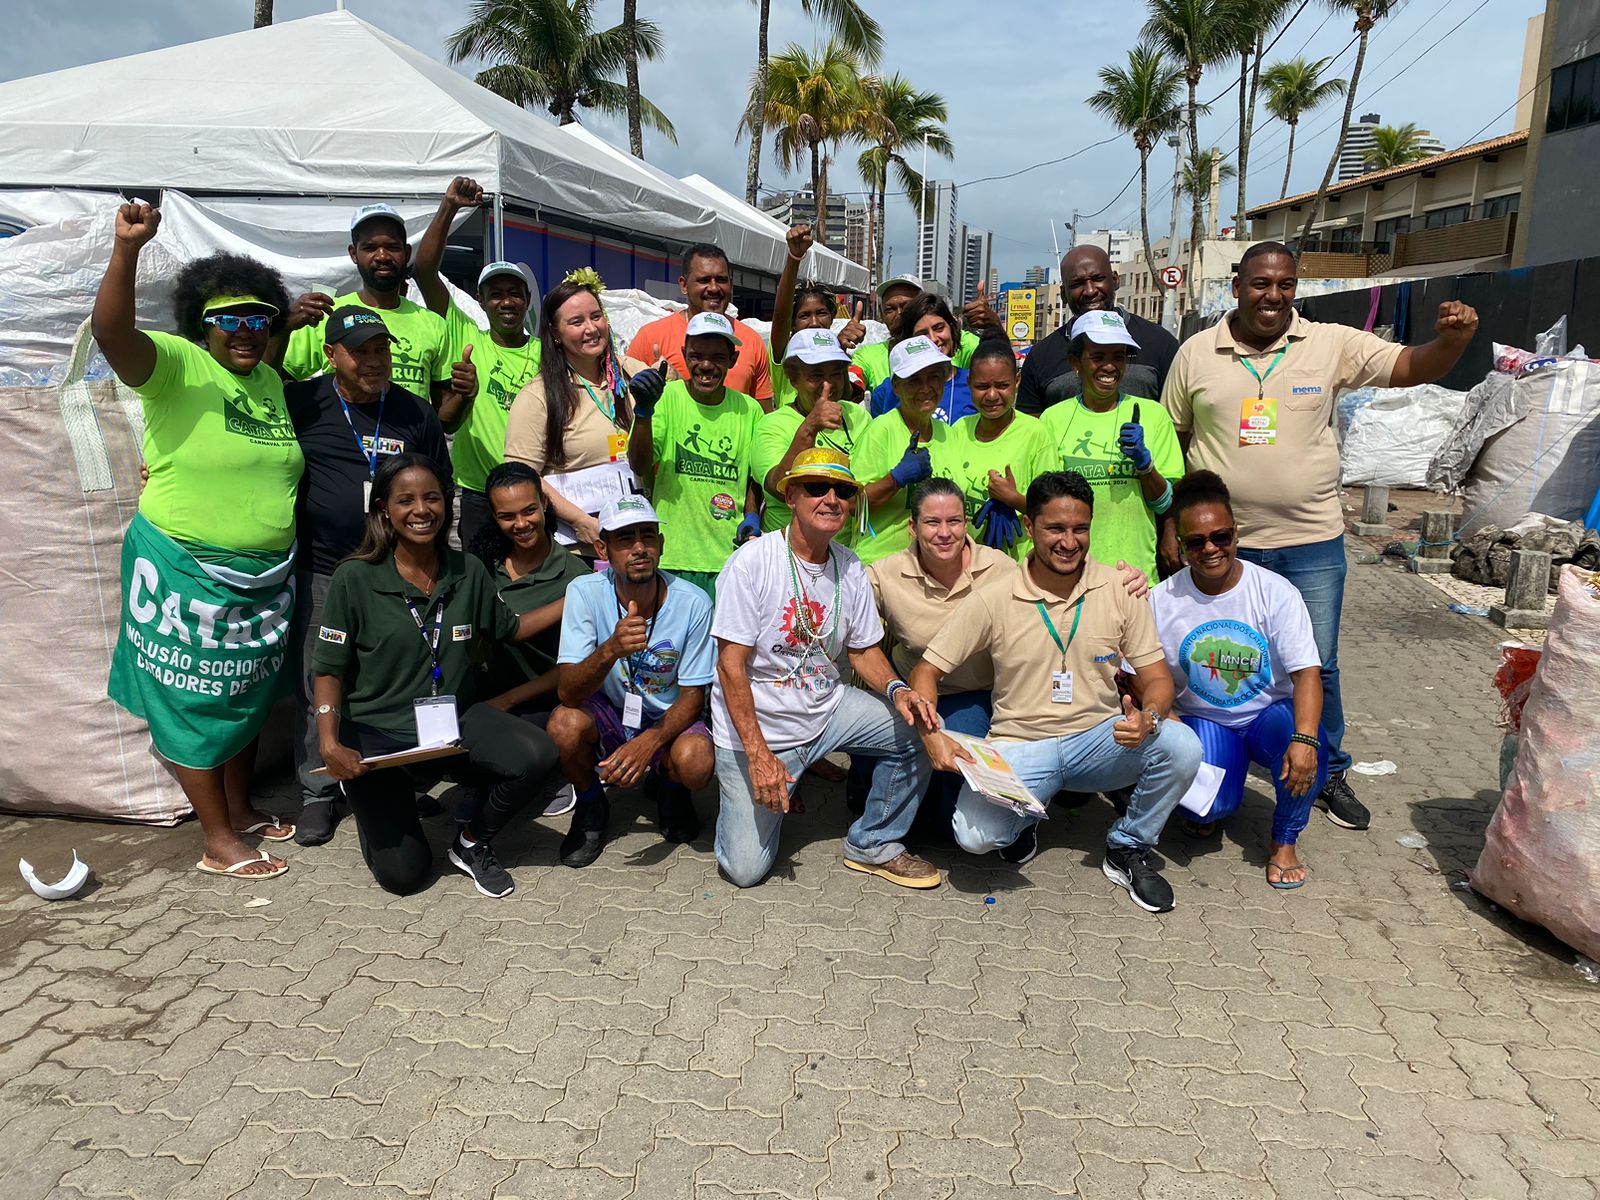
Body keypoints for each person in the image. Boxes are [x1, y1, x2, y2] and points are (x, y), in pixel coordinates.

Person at [1161, 240, 1480, 830]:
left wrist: (1453, 342)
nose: (1273, 296)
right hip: (1221, 547)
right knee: (1210, 656)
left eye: (1285, 284)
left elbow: (1412, 366)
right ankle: (1214, 758)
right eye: (1261, 284)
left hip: (1310, 541)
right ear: (1237, 287)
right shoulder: (1196, 354)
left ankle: (1327, 771)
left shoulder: (1329, 343)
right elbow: (1172, 445)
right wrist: (1171, 529)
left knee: (1319, 665)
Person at [94, 202, 302, 878]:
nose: (245, 332)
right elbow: (112, 333)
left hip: (263, 578)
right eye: (228, 320)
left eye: (259, 319)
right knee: (192, 697)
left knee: (242, 695)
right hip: (184, 568)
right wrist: (127, 249)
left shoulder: (270, 382)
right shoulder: (178, 365)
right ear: (201, 326)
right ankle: (217, 841)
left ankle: (239, 809)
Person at [911, 471, 1203, 913]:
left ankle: (1128, 846)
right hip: (1020, 745)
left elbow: (1158, 679)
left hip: (1098, 740)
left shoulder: (1121, 589)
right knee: (974, 838)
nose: (1069, 542)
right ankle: (1026, 814)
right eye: (1055, 528)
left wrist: (1151, 716)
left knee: (1182, 745)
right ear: (1029, 527)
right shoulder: (994, 597)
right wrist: (932, 734)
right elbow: (926, 670)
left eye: (1080, 528)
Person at [311, 453, 564, 898]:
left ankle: (472, 841)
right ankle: (379, 798)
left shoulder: (467, 570)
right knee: (405, 877)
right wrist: (330, 742)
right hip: (378, 735)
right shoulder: (355, 577)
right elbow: (329, 667)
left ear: (446, 503)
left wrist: (579, 593)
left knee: (536, 755)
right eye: (405, 500)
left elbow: (511, 628)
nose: (421, 510)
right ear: (384, 509)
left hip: (450, 721)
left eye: (432, 498)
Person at [711, 447, 943, 889]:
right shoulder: (752, 563)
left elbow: (864, 651)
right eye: (817, 487)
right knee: (745, 870)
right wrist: (758, 755)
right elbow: (730, 667)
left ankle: (874, 842)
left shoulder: (849, 565)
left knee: (922, 729)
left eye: (843, 491)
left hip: (827, 709)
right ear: (791, 496)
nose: (831, 499)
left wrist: (899, 691)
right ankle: (753, 789)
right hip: (760, 730)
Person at [284, 305, 453, 846]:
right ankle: (318, 791)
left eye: (381, 349)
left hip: (394, 571)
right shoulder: (302, 403)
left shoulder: (414, 411)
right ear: (331, 355)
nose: (374, 361)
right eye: (360, 352)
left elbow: (441, 484)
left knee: (395, 675)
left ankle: (397, 776)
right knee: (318, 677)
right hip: (326, 568)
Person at [1147, 472, 1329, 889]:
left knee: (1309, 742)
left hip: (1268, 715)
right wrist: (1168, 721)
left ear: (1236, 532)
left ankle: (1284, 840)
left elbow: (1307, 672)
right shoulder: (1161, 600)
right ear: (1180, 545)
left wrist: (1304, 739)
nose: (1211, 549)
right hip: (1204, 720)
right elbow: (1142, 672)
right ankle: (1216, 798)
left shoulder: (1275, 592)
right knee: (1206, 808)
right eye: (1196, 542)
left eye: (1221, 536)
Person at [549, 494, 717, 869]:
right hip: (610, 710)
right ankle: (591, 804)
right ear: (602, 549)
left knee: (696, 763)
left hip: (666, 717)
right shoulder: (584, 592)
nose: (639, 548)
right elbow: (568, 692)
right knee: (563, 725)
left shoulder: (694, 603)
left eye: (647, 536)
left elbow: (693, 697)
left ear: (661, 544)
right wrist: (610, 649)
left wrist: (649, 742)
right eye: (625, 538)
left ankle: (671, 790)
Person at [866, 478, 1015, 836]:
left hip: (972, 693)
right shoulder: (886, 573)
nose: (945, 533)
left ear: (966, 524)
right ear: (913, 527)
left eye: (954, 521)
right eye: (932, 522)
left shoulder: (1001, 568)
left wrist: (1123, 580)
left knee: (955, 771)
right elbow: (839, 603)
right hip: (909, 693)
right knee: (866, 776)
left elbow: (1056, 587)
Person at [414, 176, 542, 545]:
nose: (507, 302)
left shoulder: (547, 354)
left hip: (534, 493)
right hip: (478, 494)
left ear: (527, 301)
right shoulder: (467, 337)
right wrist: (450, 207)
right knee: (479, 578)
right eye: (496, 294)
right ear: (481, 301)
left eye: (514, 293)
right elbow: (423, 272)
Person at [503, 273, 649, 551]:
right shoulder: (538, 396)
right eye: (576, 322)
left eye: (596, 316)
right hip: (579, 546)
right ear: (556, 334)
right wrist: (580, 521)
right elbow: (521, 474)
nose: (591, 328)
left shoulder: (633, 372)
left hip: (637, 541)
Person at [627, 311, 764, 601]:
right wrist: (644, 412)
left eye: (717, 357)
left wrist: (752, 513)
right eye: (696, 355)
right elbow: (639, 464)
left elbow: (753, 475)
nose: (706, 365)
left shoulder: (749, 409)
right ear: (684, 355)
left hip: (729, 559)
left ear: (733, 360)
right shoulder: (667, 397)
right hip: (672, 556)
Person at [1038, 310, 1183, 580]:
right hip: (1072, 576)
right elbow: (1045, 505)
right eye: (1097, 357)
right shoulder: (1052, 419)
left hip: (1135, 578)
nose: (1109, 367)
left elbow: (1165, 504)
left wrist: (1145, 465)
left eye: (1118, 356)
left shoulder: (1154, 415)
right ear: (1075, 362)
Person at [280, 204, 463, 408]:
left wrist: (466, 396)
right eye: (370, 248)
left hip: (412, 429)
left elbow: (444, 414)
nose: (382, 256)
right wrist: (284, 328)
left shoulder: (433, 324)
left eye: (392, 247)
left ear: (407, 252)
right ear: (353, 254)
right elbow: (274, 378)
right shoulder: (328, 314)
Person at [468, 462, 590, 724]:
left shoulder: (577, 577)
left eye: (529, 511)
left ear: (544, 502)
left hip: (541, 705)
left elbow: (578, 664)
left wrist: (508, 700)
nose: (521, 524)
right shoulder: (481, 563)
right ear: (493, 515)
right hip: (483, 695)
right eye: (507, 516)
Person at [1017, 244, 1179, 416]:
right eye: (1077, 284)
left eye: (1098, 279)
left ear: (1115, 280)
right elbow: (1030, 426)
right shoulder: (1041, 356)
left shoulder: (1160, 343)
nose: (1090, 291)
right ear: (1063, 294)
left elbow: (1176, 419)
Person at [852, 336, 965, 565]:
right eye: (914, 380)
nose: (926, 388)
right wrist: (895, 479)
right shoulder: (881, 431)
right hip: (883, 565)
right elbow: (852, 505)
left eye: (934, 377)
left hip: (937, 567)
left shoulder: (949, 433)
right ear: (896, 386)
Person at [750, 329, 873, 537]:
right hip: (787, 549)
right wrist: (810, 427)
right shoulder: (772, 425)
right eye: (816, 376)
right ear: (793, 379)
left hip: (845, 551)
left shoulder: (857, 416)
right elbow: (778, 488)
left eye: (836, 374)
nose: (828, 385)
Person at [627, 244, 774, 407]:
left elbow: (764, 414)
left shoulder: (751, 341)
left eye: (721, 280)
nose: (714, 288)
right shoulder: (650, 337)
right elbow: (627, 406)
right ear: (684, 285)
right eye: (704, 280)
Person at [947, 338, 1052, 560]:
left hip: (1017, 564)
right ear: (969, 384)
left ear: (1017, 381)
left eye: (1002, 386)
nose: (992, 395)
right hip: (964, 563)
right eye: (982, 386)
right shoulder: (958, 430)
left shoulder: (1035, 433)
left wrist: (1015, 500)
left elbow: (1054, 510)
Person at [767, 224, 861, 412]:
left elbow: (846, 397)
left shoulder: (841, 353)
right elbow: (780, 316)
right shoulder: (784, 352)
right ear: (792, 323)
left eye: (821, 313)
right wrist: (794, 258)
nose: (815, 322)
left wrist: (840, 350)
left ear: (832, 317)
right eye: (804, 315)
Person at [853, 275, 983, 389]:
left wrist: (992, 326)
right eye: (890, 309)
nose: (899, 314)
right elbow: (850, 385)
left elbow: (993, 358)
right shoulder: (869, 357)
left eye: (907, 306)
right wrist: (842, 348)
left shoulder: (954, 341)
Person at [867, 293, 976, 423]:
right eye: (922, 334)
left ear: (952, 328)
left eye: (939, 328)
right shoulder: (887, 392)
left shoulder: (975, 385)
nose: (933, 339)